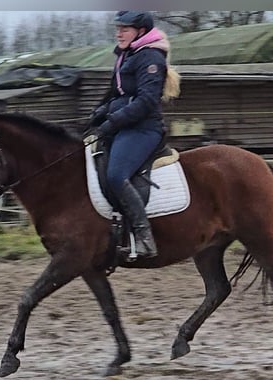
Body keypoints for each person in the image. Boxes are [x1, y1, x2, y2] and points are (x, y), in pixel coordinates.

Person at [88, 10, 179, 259]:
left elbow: (146, 101)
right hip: (124, 125)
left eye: (124, 29)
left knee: (116, 175)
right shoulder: (127, 55)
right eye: (117, 28)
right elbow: (119, 95)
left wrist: (112, 122)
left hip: (144, 128)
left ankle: (144, 236)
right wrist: (99, 113)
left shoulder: (150, 57)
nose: (118, 33)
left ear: (141, 32)